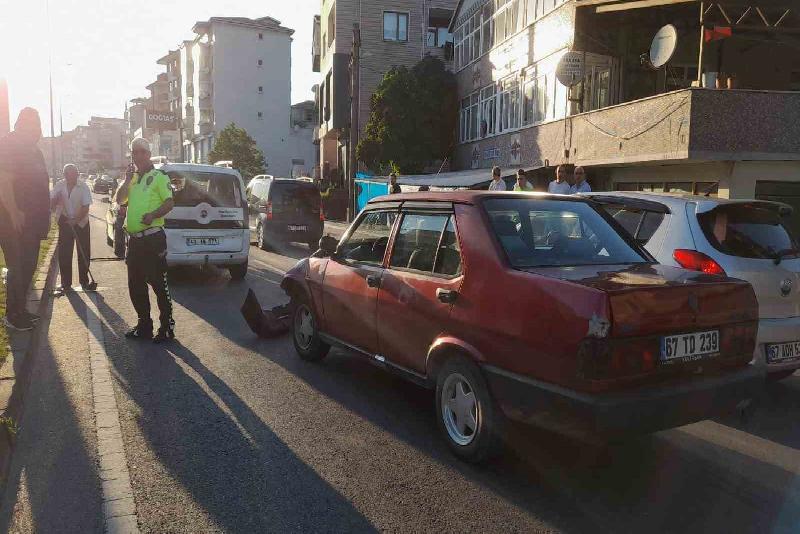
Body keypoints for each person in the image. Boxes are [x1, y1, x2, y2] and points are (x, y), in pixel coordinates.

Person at [115, 138, 176, 343]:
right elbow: (119, 200)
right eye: (134, 152)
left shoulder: (159, 176)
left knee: (159, 283)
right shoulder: (132, 179)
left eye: (142, 152)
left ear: (149, 154)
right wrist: (126, 180)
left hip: (153, 239)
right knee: (136, 284)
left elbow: (169, 203)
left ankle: (166, 326)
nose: (138, 156)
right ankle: (144, 325)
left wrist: (152, 215)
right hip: (135, 242)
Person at [0, 108, 51, 331]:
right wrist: (13, 211)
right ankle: (12, 314)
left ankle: (21, 310)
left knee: (28, 266)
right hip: (13, 222)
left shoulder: (35, 151)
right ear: (21, 123)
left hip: (33, 222)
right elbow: (4, 180)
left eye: (38, 124)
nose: (37, 128)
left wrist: (45, 218)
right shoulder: (9, 144)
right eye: (33, 123)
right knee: (17, 268)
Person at [50, 164, 93, 292]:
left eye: (75, 175)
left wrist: (75, 221)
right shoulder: (59, 186)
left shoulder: (83, 186)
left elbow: (86, 207)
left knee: (84, 252)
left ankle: (84, 281)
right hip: (64, 221)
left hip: (81, 222)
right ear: (65, 175)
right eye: (69, 175)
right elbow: (51, 202)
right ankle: (65, 283)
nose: (73, 178)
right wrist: (56, 200)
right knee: (64, 253)